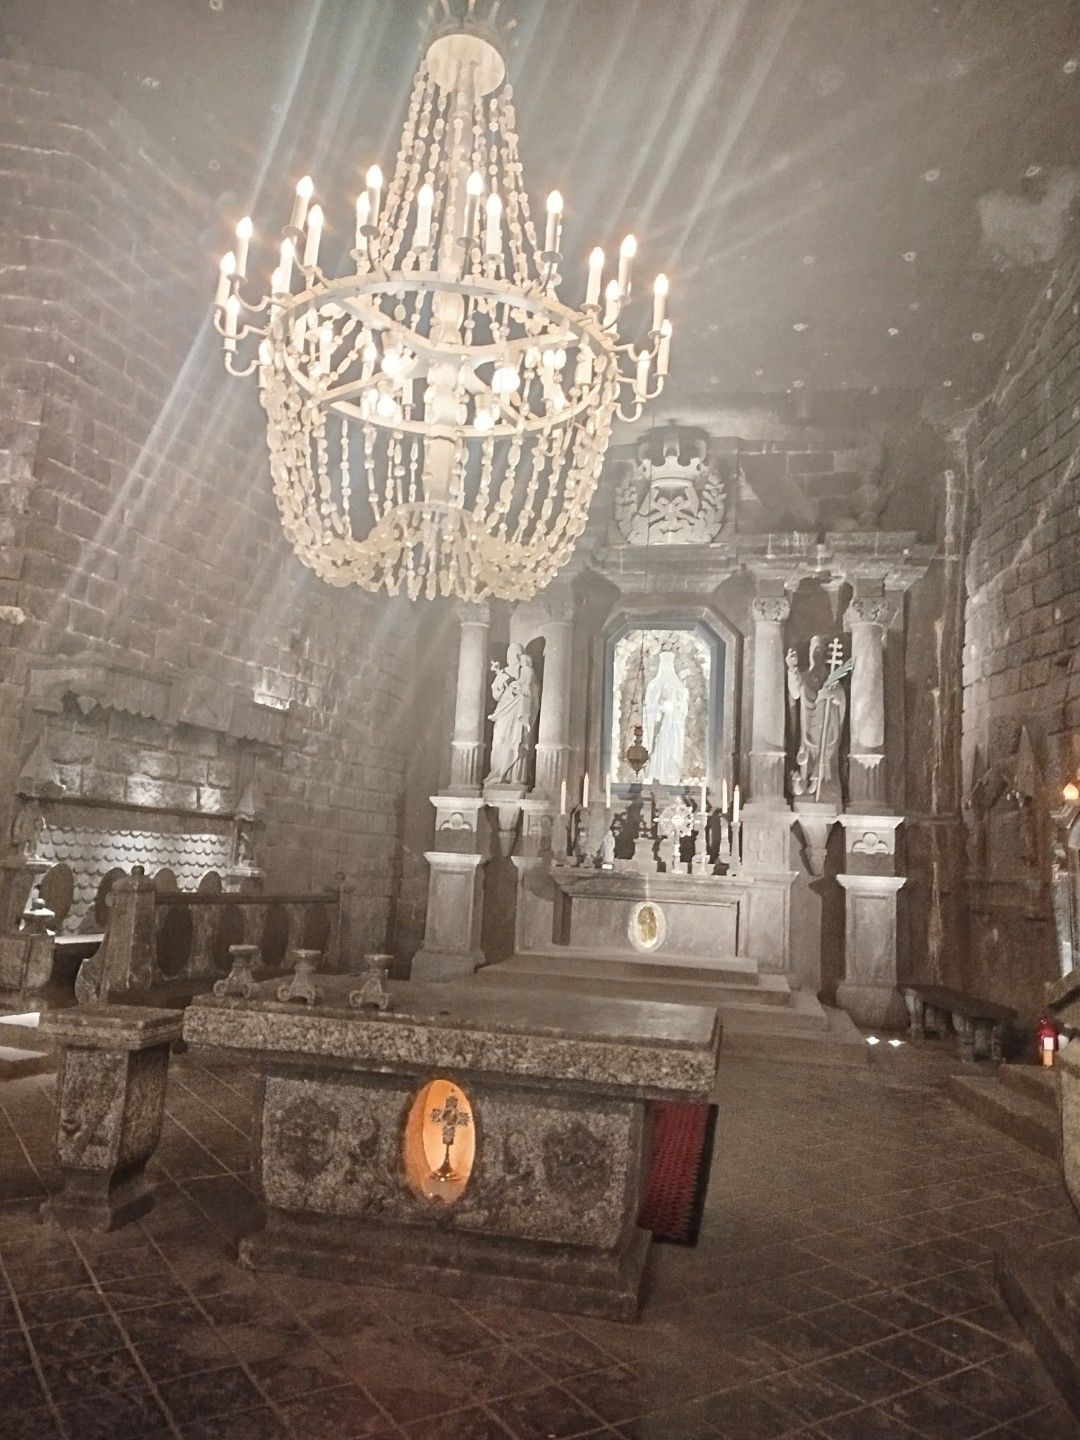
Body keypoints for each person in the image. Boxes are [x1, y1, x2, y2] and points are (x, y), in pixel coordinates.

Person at [786, 635, 846, 800]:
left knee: (825, 759)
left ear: (825, 654)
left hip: (827, 731)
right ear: (810, 653)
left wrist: (833, 695)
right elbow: (795, 692)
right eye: (814, 650)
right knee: (805, 758)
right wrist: (792, 668)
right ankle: (804, 786)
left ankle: (824, 788)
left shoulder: (832, 681)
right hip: (807, 728)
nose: (817, 654)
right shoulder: (804, 678)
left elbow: (841, 699)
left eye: (820, 651)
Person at [485, 643, 538, 785]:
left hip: (519, 711)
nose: (510, 656)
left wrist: (519, 688)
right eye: (509, 653)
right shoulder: (503, 672)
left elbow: (532, 692)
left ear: (519, 656)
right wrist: (501, 687)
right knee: (499, 740)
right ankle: (497, 773)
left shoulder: (526, 671)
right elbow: (496, 695)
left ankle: (515, 777)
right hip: (504, 711)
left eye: (514, 653)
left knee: (517, 741)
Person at [642, 649, 689, 785]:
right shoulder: (654, 684)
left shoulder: (677, 686)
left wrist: (672, 709)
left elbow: (682, 709)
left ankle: (670, 775)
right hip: (658, 726)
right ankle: (655, 774)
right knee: (657, 750)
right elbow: (648, 707)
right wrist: (659, 709)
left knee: (670, 750)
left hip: (672, 727)